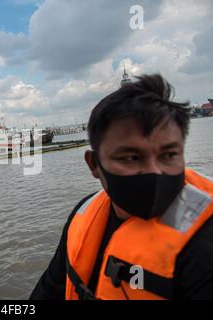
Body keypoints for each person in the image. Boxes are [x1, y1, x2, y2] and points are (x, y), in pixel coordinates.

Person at [30, 74, 213, 300]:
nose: (154, 172)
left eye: (169, 155)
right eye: (130, 158)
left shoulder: (204, 247)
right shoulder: (82, 216)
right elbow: (49, 290)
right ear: (94, 164)